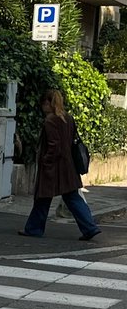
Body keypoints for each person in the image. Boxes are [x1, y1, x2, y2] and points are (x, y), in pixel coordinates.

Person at [18, 88, 101, 241]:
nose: (43, 108)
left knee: (42, 198)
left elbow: (53, 145)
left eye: (43, 104)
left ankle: (34, 228)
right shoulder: (68, 118)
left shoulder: (50, 120)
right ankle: (90, 227)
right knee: (73, 197)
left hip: (53, 167)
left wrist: (46, 160)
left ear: (48, 103)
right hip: (68, 166)